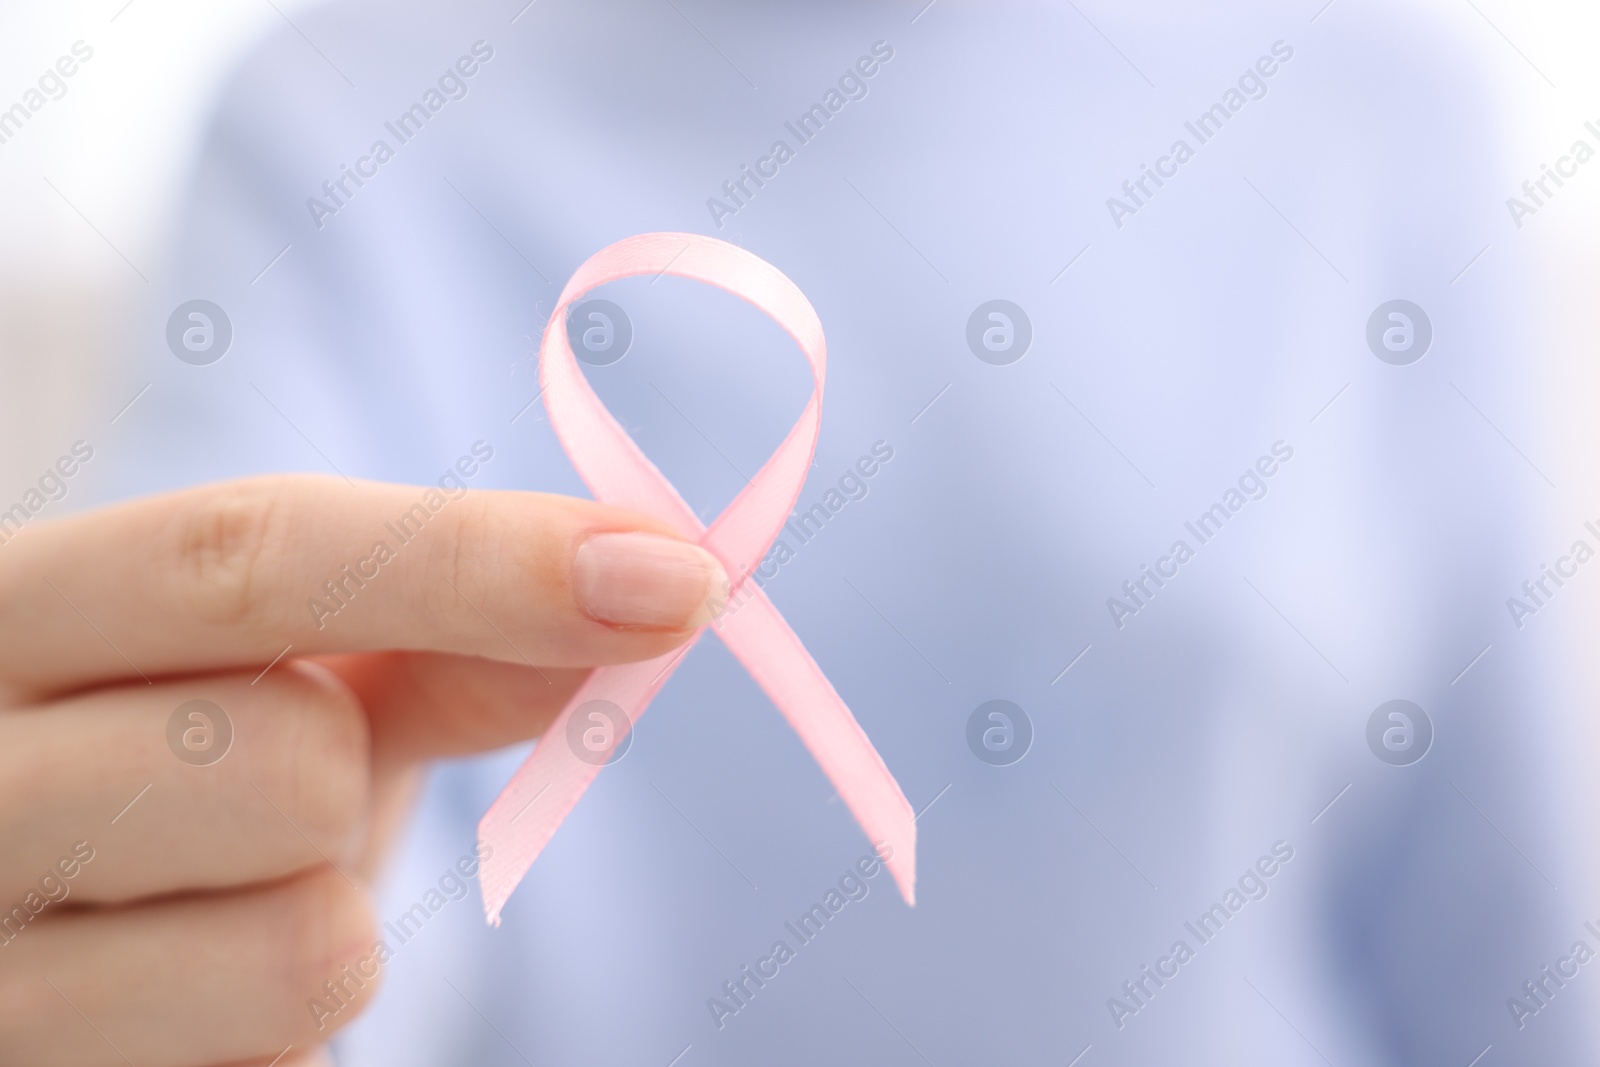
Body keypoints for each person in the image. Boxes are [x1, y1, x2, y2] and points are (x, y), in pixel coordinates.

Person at [5, 1, 1596, 1064]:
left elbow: (1517, 970)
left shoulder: (1373, 113)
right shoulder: (337, 112)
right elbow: (314, 826)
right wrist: (213, 911)